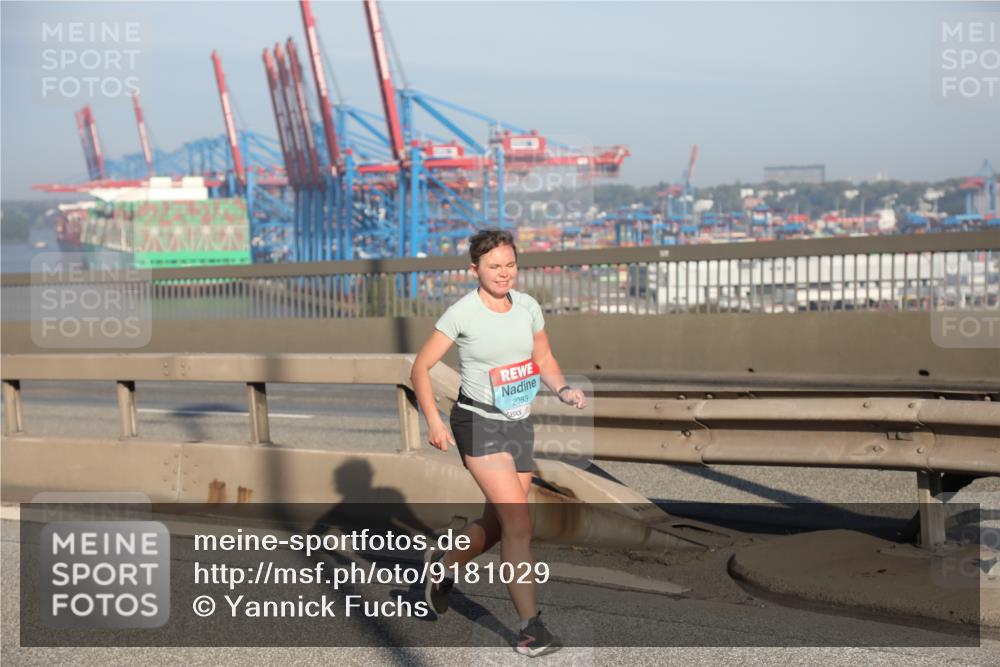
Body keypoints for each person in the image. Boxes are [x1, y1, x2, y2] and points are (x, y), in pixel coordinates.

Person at [410, 228, 586, 657]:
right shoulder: (462, 312)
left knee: (497, 524)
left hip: (518, 423)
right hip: (477, 422)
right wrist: (434, 421)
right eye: (494, 267)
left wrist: (562, 389)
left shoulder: (527, 306)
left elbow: (542, 357)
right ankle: (530, 630)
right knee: (520, 524)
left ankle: (442, 564)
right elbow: (421, 367)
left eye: (510, 265)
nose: (504, 273)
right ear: (475, 270)